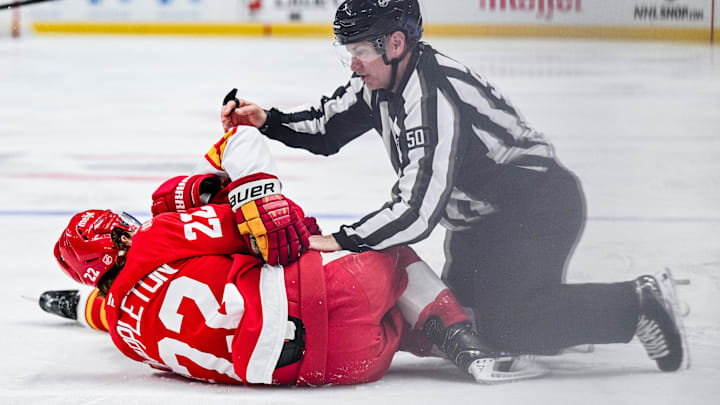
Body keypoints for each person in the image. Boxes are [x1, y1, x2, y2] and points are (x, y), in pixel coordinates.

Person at [219, 0, 688, 371]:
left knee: (511, 326)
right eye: (348, 52)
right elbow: (327, 127)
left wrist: (345, 238)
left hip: (538, 208)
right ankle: (559, 314)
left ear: (395, 43)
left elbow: (418, 209)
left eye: (359, 50)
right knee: (466, 318)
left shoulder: (431, 93)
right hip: (485, 223)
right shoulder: (379, 81)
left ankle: (638, 302)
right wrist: (267, 121)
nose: (353, 64)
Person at [46, 126, 547, 385]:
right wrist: (249, 192)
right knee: (388, 252)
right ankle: (466, 337)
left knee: (386, 315)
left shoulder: (120, 331)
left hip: (335, 367)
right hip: (329, 296)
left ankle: (463, 331)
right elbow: (268, 224)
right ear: (117, 237)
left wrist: (74, 303)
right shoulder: (157, 237)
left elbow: (100, 306)